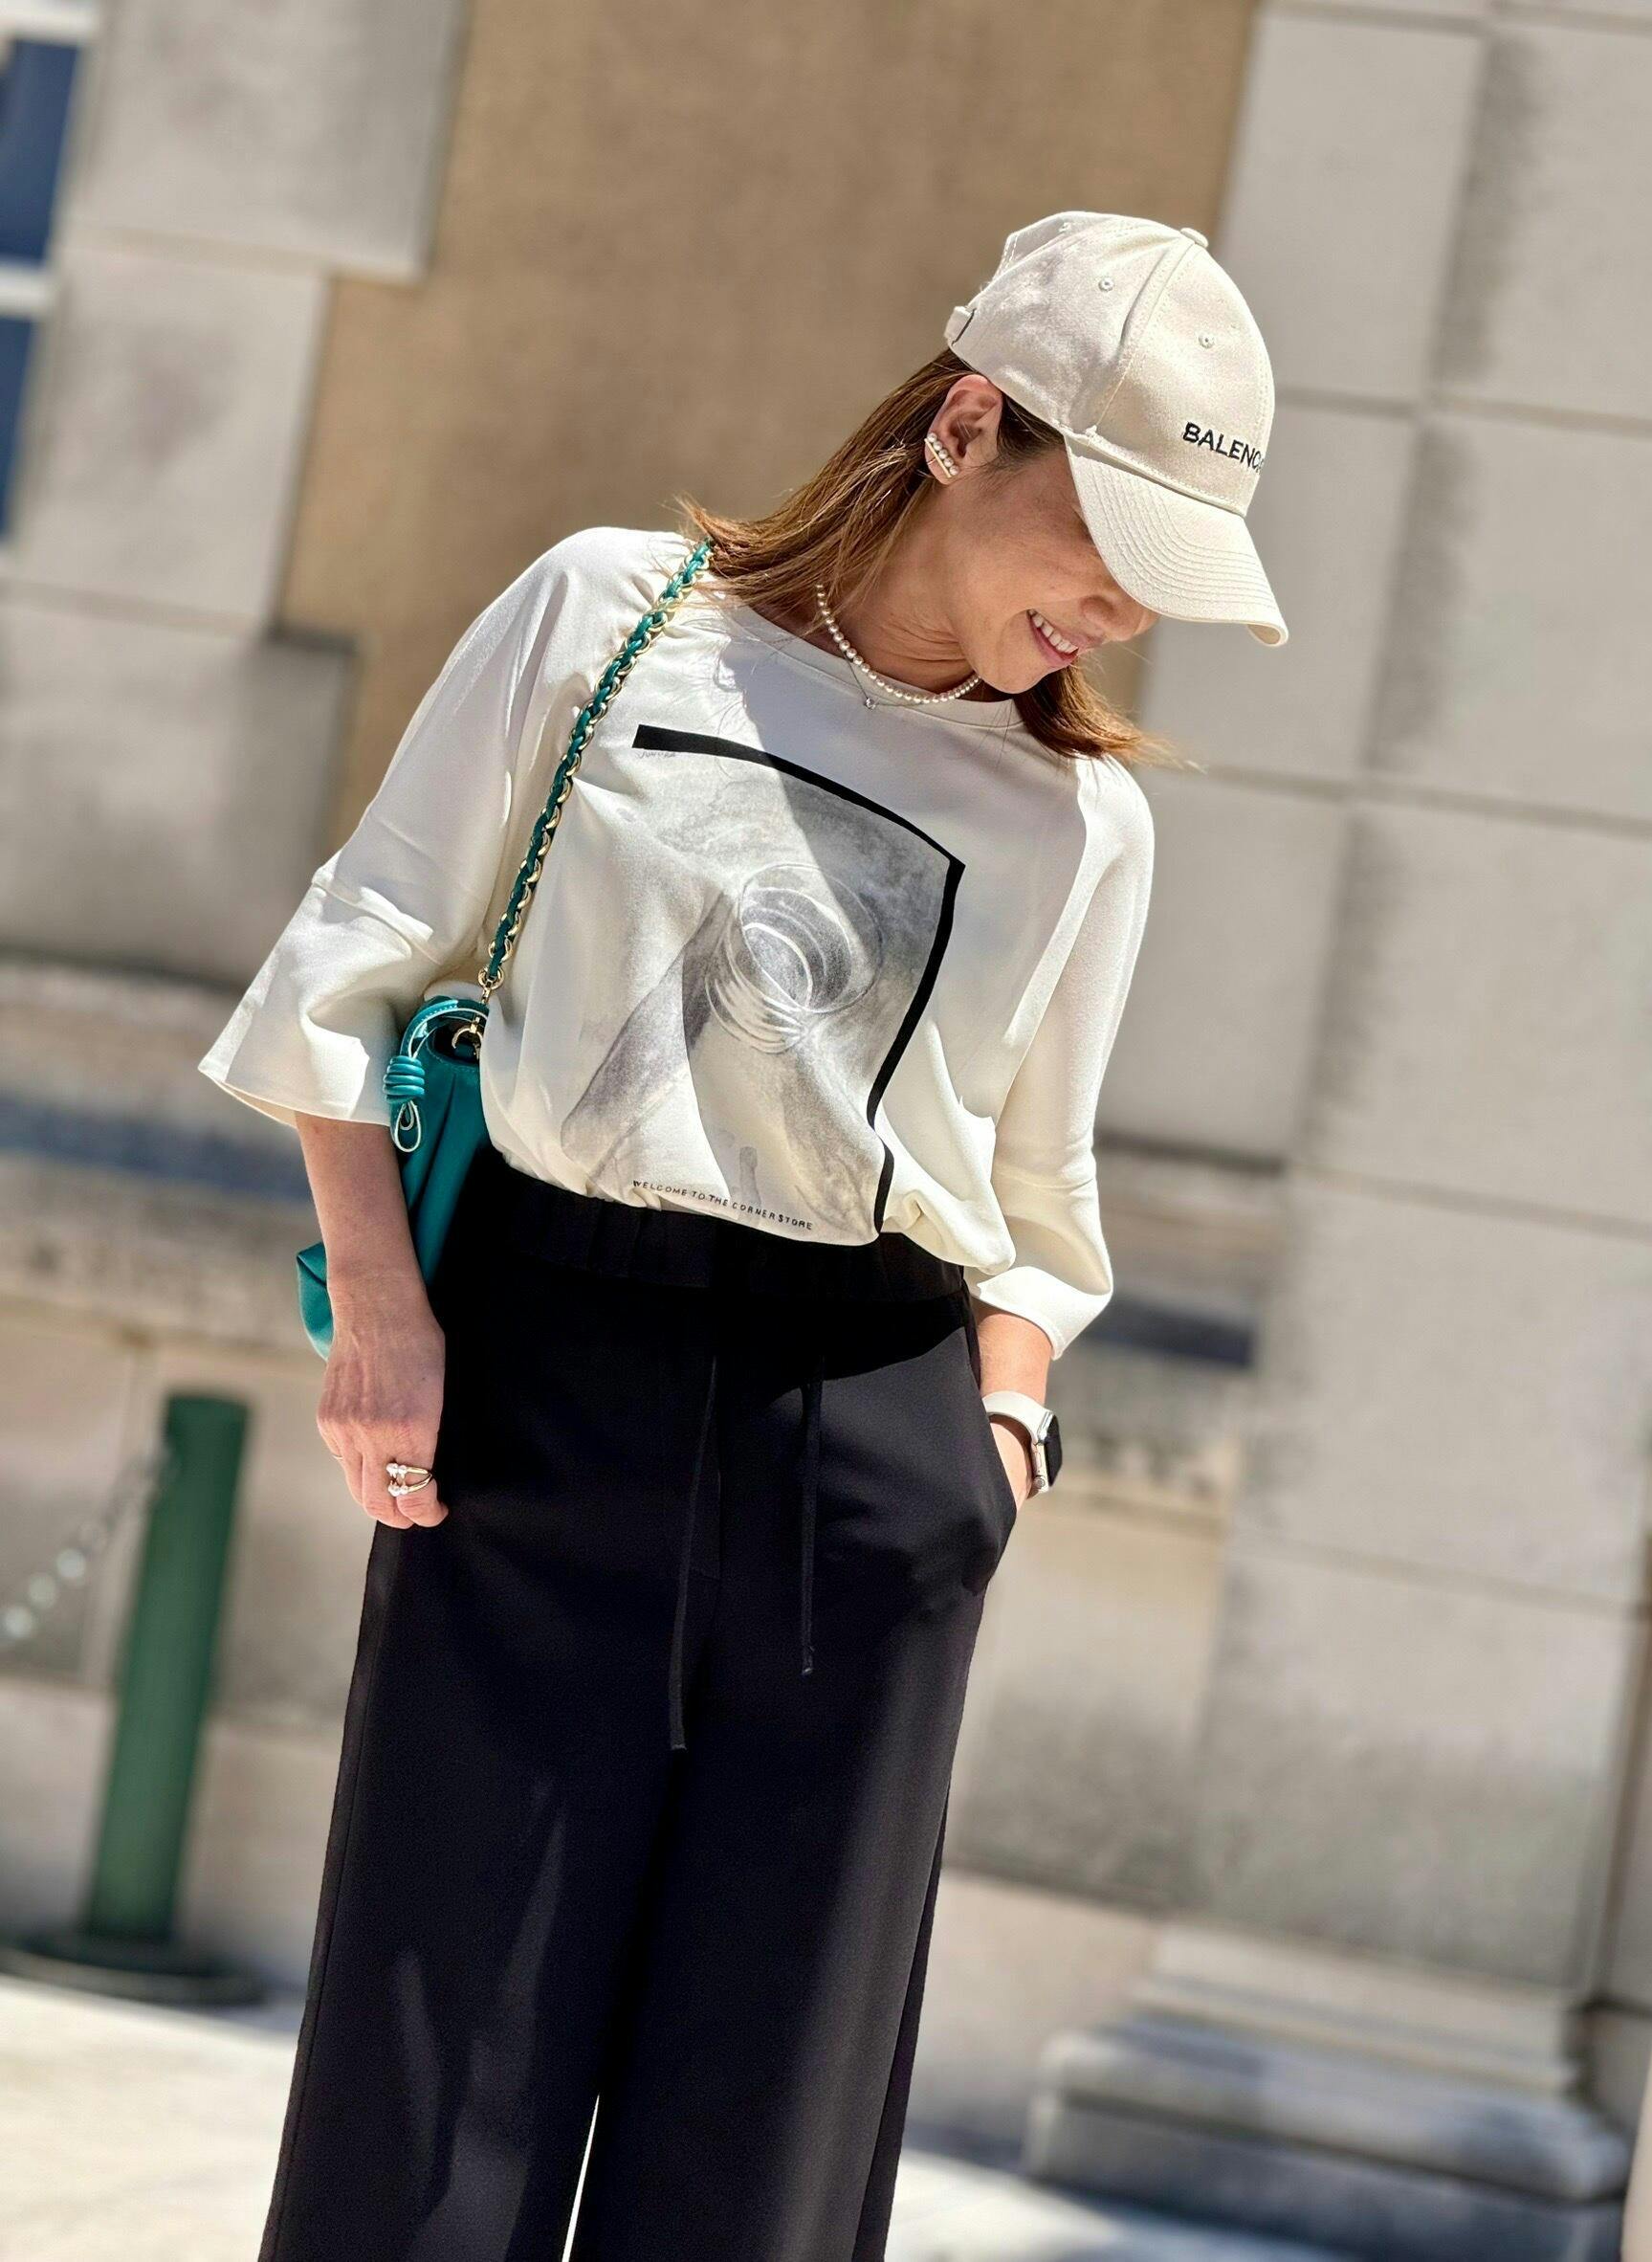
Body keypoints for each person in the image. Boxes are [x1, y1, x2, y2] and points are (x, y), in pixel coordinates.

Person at [198, 211, 1287, 2262]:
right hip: (533, 1389)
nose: (1119, 609)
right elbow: (357, 958)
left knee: (759, 2164)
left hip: (867, 1447)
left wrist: (998, 1437)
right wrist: (383, 1318)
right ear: (965, 427)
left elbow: (1036, 1199)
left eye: (1162, 573)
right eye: (1103, 537)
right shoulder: (611, 617)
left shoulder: (1079, 826)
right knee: (421, 2122)